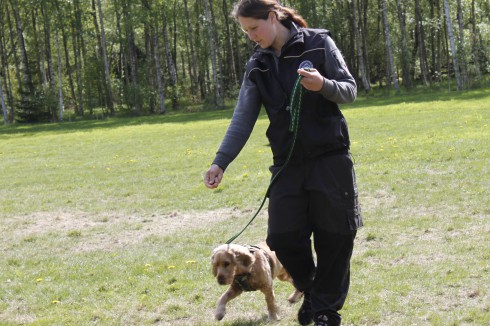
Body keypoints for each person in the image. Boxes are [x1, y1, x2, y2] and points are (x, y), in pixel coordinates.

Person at [204, 1, 363, 325]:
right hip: (287, 164)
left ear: (273, 18)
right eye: (245, 31)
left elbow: (349, 90)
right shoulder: (259, 64)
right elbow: (243, 117)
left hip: (329, 158)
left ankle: (324, 312)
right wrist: (221, 162)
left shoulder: (318, 44)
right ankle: (310, 288)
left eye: (253, 28)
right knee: (282, 237)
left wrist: (323, 85)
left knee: (335, 237)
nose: (250, 36)